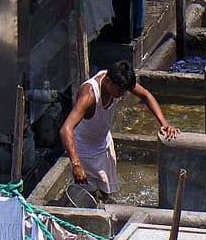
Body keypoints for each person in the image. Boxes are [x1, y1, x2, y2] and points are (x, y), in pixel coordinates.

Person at [60, 61, 179, 199]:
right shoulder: (89, 95)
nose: (122, 95)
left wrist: (163, 123)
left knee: (107, 193)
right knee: (88, 197)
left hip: (103, 142)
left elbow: (146, 96)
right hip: (84, 150)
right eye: (119, 91)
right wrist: (76, 164)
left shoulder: (118, 79)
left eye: (124, 91)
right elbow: (66, 129)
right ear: (108, 81)